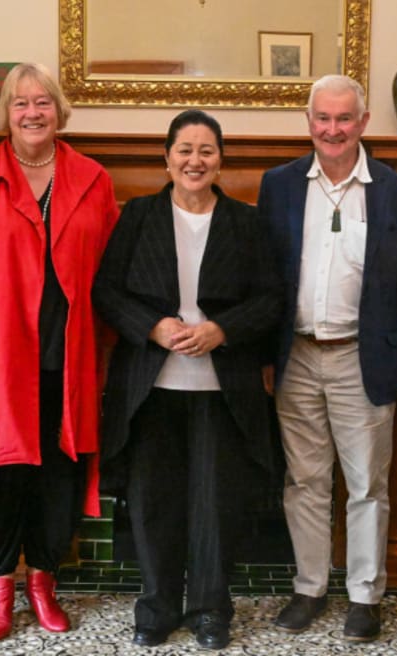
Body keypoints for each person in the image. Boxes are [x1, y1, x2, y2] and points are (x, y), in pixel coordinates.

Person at [0, 62, 118, 643]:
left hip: (69, 355)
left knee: (57, 474)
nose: (32, 113)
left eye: (43, 103)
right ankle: (0, 586)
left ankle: (44, 582)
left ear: (60, 111)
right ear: (4, 114)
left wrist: (108, 358)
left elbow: (109, 276)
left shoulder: (92, 179)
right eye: (20, 104)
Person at [92, 110, 283, 650]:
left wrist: (222, 331)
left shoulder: (245, 223)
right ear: (167, 158)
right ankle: (156, 606)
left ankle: (209, 609)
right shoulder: (139, 216)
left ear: (220, 159)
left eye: (206, 150)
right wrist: (153, 327)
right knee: (154, 501)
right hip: (152, 386)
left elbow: (271, 298)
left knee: (215, 502)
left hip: (224, 389)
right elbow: (106, 290)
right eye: (185, 149)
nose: (195, 160)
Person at [258, 74, 397, 643]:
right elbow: (266, 281)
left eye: (344, 118)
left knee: (366, 484)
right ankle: (309, 587)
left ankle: (364, 596)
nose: (333, 129)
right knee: (303, 481)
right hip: (296, 355)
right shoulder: (277, 185)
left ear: (363, 122)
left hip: (365, 357)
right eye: (323, 119)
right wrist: (264, 356)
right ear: (309, 123)